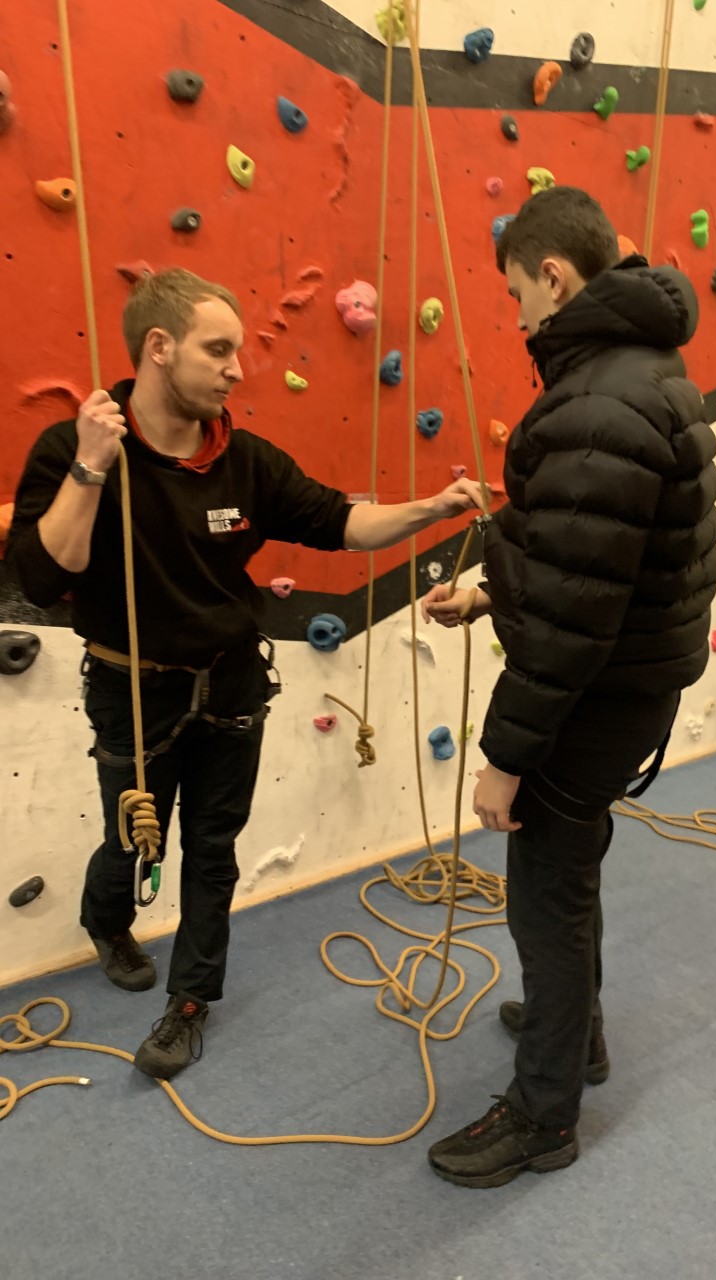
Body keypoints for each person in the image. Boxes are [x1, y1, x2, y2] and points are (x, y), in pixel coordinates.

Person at [7, 268, 481, 1081]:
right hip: (131, 686)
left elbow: (340, 521)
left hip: (229, 684)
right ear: (159, 349)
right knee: (132, 833)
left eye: (235, 351)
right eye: (217, 349)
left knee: (213, 846)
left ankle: (190, 1002)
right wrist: (90, 465)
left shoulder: (244, 460)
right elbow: (47, 579)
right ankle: (107, 920)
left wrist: (429, 509)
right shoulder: (78, 448)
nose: (236, 368)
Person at [421, 187, 716, 1188]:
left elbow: (573, 616)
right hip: (627, 679)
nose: (514, 315)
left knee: (545, 887)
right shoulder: (640, 367)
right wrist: (489, 583)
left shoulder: (598, 395)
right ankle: (577, 1033)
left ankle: (544, 1114)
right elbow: (577, 556)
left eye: (516, 292)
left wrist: (504, 756)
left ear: (555, 276)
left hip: (595, 689)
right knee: (572, 865)